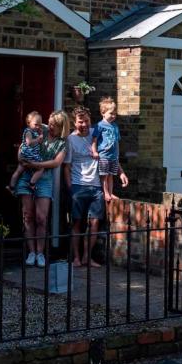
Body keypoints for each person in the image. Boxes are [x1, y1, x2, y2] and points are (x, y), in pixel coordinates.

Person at [64, 106, 128, 268]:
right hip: (78, 185)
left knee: (94, 224)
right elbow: (67, 166)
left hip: (97, 186)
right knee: (77, 223)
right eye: (80, 122)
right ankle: (76, 258)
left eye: (86, 121)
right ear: (74, 122)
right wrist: (70, 188)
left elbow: (110, 155)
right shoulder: (71, 140)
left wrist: (120, 173)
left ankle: (87, 257)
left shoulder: (97, 132)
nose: (84, 124)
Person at [17, 110, 68, 267]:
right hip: (27, 175)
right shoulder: (41, 129)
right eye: (50, 123)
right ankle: (31, 252)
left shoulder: (62, 143)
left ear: (62, 127)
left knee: (41, 218)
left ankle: (40, 253)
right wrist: (20, 156)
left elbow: (55, 163)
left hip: (45, 179)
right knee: (27, 215)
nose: (50, 126)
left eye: (54, 125)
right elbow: (24, 145)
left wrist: (37, 165)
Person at [91, 97, 123, 204]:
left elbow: (117, 142)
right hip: (103, 155)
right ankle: (105, 192)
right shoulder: (99, 126)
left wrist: (117, 155)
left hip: (113, 156)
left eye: (115, 114)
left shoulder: (115, 127)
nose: (113, 116)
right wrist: (95, 151)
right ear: (103, 113)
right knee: (104, 176)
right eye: (111, 113)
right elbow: (94, 140)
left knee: (111, 176)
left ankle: (110, 192)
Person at [6, 111, 44, 194]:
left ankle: (11, 186)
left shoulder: (35, 132)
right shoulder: (28, 132)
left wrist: (40, 136)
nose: (38, 127)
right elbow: (29, 142)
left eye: (39, 125)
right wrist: (38, 139)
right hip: (29, 155)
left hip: (26, 155)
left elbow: (39, 143)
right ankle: (32, 183)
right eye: (35, 124)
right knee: (41, 168)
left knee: (19, 171)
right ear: (28, 123)